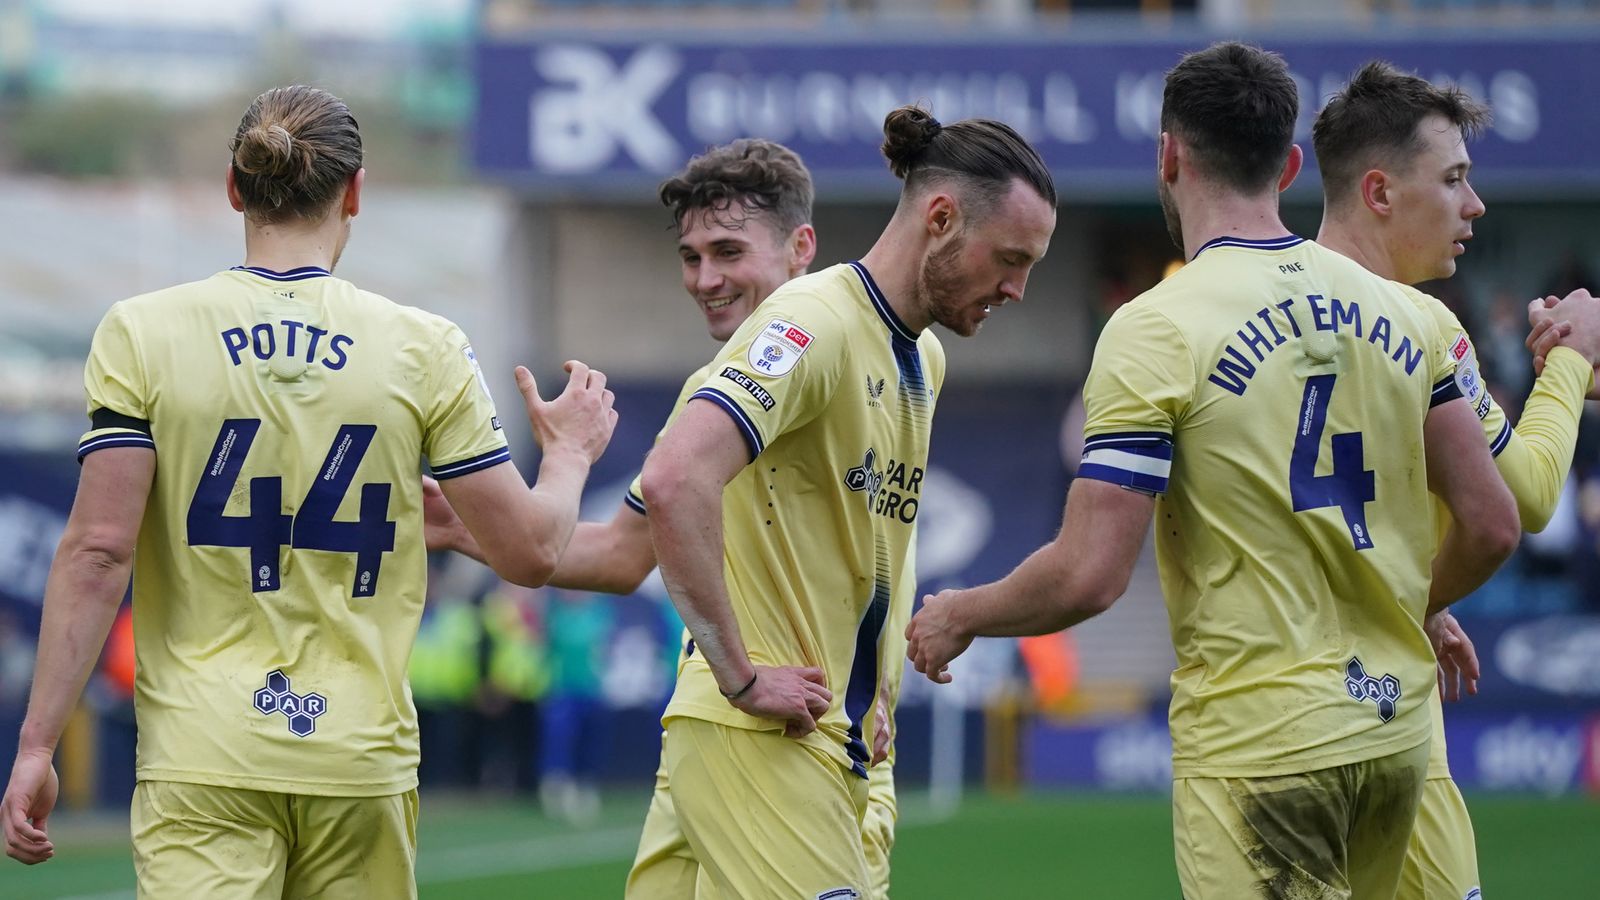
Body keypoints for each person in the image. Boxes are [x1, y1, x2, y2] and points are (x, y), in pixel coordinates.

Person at [905, 42, 1521, 899]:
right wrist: (1414, 606)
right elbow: (1495, 521)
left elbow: (1089, 575)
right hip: (1396, 739)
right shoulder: (1408, 311)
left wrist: (960, 615)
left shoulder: (1156, 329)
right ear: (1291, 163)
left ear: (1169, 156)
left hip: (1263, 750)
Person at [0, 85, 617, 898]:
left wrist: (37, 745)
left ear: (234, 188)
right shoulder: (425, 346)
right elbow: (532, 551)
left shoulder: (141, 331)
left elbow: (99, 549)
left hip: (204, 755)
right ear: (354, 192)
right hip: (360, 761)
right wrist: (568, 454)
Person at [426, 138, 911, 898]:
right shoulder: (717, 396)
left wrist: (882, 685)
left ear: (801, 248)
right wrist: (468, 529)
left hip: (822, 740)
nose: (706, 279)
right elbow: (625, 553)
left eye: (727, 251)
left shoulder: (879, 354)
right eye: (691, 257)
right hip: (759, 733)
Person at [639, 105, 1055, 897]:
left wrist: (876, 684)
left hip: (840, 741)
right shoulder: (812, 321)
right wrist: (740, 677)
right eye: (1010, 258)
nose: (1019, 287)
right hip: (763, 732)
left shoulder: (924, 357)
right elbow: (673, 480)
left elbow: (857, 542)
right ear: (940, 219)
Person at [1313, 59, 1600, 900]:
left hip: (1271, 726)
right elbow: (1522, 502)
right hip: (1385, 714)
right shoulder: (1421, 325)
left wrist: (1426, 602)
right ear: (1379, 193)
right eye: (1454, 179)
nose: (1473, 205)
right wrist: (1569, 362)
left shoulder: (1266, 306)